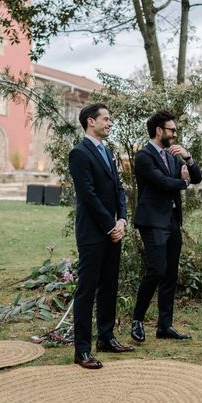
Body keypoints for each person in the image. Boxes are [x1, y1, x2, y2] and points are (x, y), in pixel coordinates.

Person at [68, 103, 133, 370]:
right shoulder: (79, 153)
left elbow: (118, 188)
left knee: (109, 286)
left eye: (110, 119)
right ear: (90, 121)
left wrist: (122, 219)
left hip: (112, 231)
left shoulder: (107, 151)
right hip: (93, 233)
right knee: (87, 290)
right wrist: (110, 225)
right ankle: (82, 350)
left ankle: (106, 338)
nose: (110, 123)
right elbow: (88, 195)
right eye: (106, 119)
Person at [131, 110, 202, 343]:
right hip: (152, 222)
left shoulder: (174, 156)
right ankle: (137, 320)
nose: (175, 133)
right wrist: (183, 182)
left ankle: (165, 326)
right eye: (171, 129)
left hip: (172, 221)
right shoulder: (143, 156)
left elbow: (197, 178)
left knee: (170, 273)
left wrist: (189, 159)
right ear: (159, 130)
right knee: (156, 270)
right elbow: (161, 183)